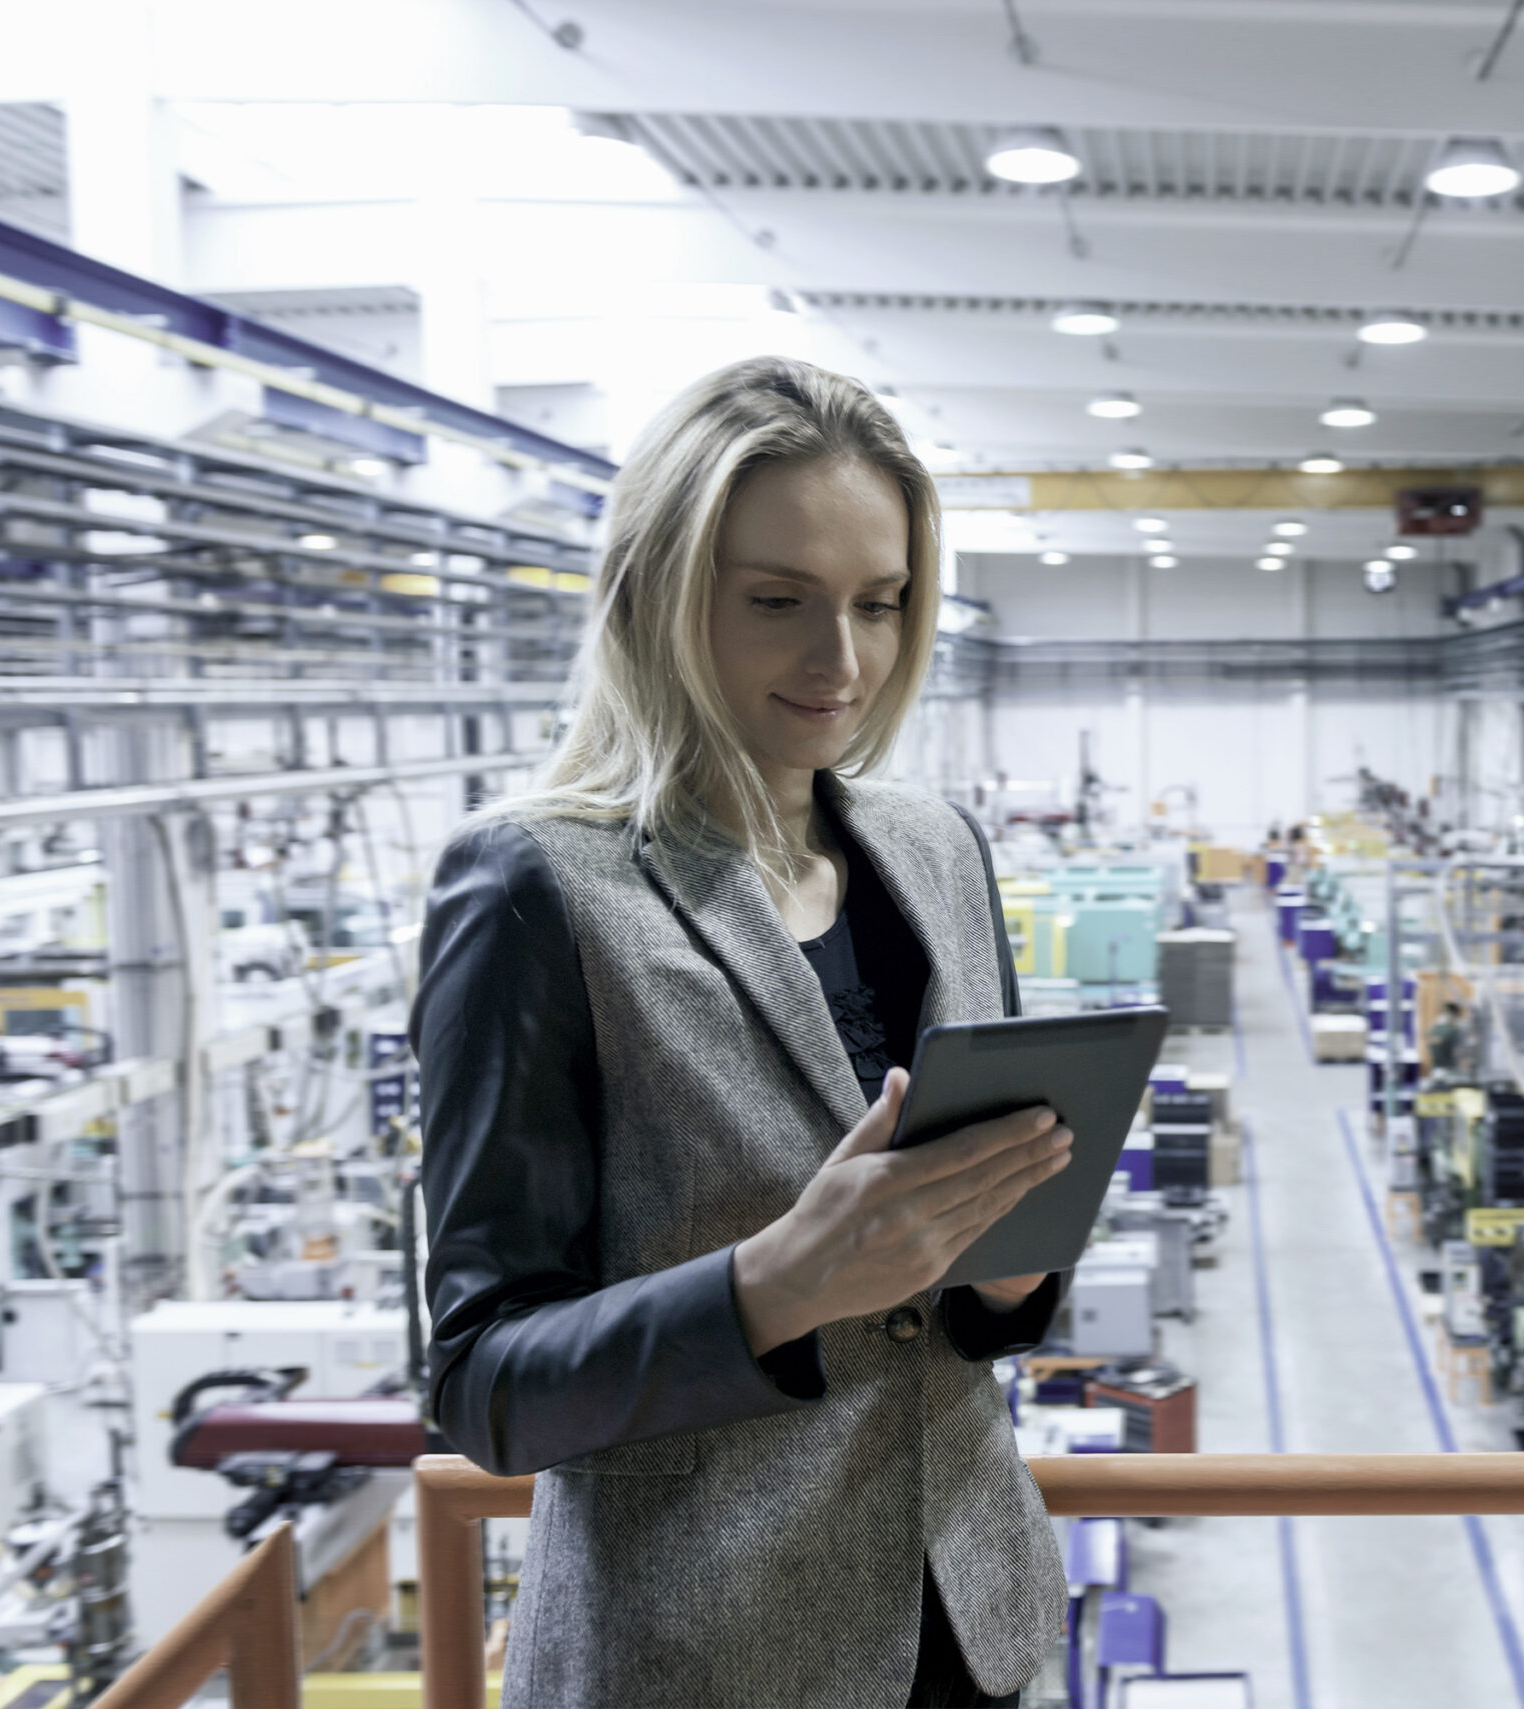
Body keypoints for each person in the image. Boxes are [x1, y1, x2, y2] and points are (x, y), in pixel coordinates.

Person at [412, 357, 1071, 1708]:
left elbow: (945, 1307)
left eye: (880, 605)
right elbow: (487, 1385)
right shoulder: (539, 886)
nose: (842, 660)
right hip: (700, 1659)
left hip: (970, 1628)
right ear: (660, 591)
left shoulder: (937, 849)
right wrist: (774, 1284)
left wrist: (1009, 1270)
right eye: (778, 602)